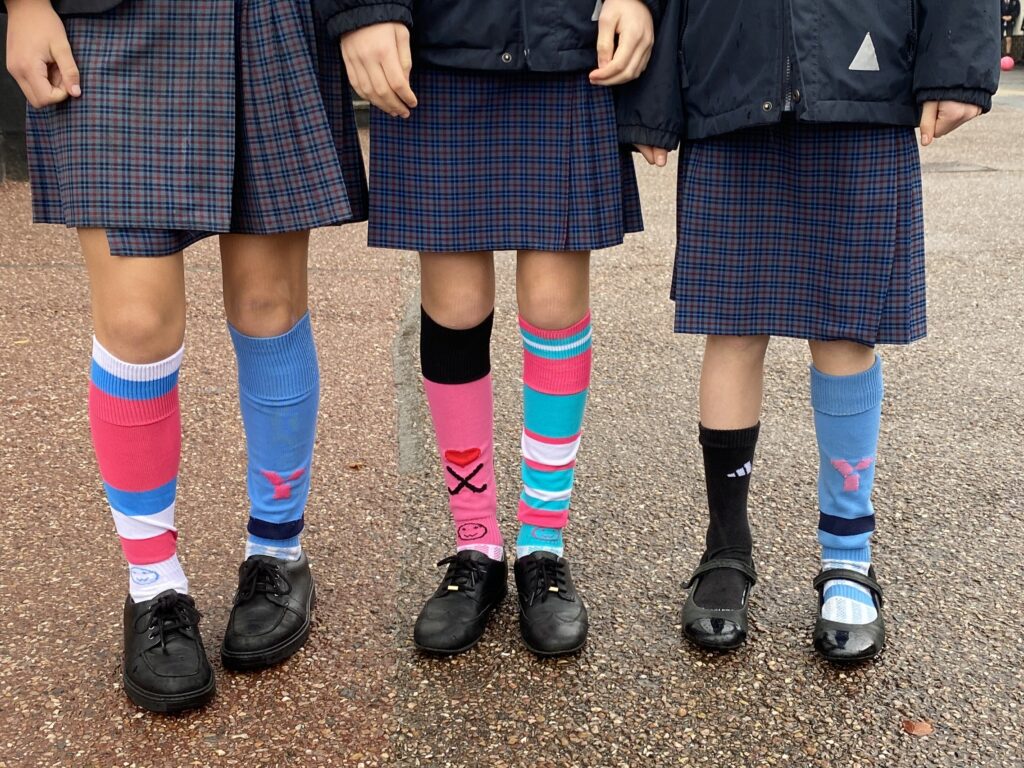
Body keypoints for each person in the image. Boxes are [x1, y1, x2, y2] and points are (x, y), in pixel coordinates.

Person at [3, 0, 367, 711]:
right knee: (135, 323)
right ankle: (153, 586)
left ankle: (278, 550)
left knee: (270, 303)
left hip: (268, 18)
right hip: (108, 22)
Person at [619, 0, 999, 661]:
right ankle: (726, 551)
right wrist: (654, 100)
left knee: (847, 332)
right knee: (731, 326)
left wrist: (960, 64)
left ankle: (848, 555)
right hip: (728, 77)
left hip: (864, 73)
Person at [314, 0, 659, 656]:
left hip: (567, 48)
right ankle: (475, 542)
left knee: (556, 307)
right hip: (436, 45)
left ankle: (541, 545)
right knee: (454, 305)